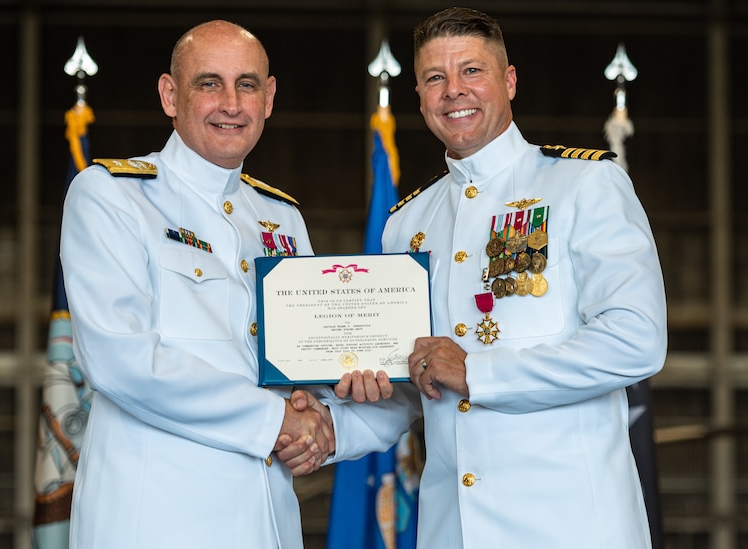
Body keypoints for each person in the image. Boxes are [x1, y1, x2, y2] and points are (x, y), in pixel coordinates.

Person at [60, 20, 419, 548]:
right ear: (169, 95)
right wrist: (277, 420)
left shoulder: (281, 219)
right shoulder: (110, 197)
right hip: (153, 525)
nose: (230, 103)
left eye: (247, 84)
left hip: (266, 524)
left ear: (268, 97)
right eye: (209, 83)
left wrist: (336, 424)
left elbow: (314, 370)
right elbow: (121, 360)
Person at [343, 7, 668, 548]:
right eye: (434, 78)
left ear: (509, 80)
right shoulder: (406, 225)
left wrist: (479, 373)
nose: (453, 91)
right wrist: (326, 430)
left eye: (471, 71)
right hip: (453, 527)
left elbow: (637, 340)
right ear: (420, 97)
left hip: (572, 525)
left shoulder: (584, 184)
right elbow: (410, 385)